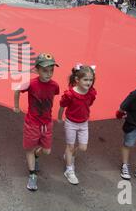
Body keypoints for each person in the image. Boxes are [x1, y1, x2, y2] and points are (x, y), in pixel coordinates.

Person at [13, 53, 60, 191]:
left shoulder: (55, 86)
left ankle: (36, 156)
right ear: (36, 70)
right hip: (32, 123)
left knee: (46, 151)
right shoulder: (31, 83)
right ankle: (32, 175)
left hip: (47, 124)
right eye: (45, 70)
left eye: (51, 70)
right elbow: (17, 90)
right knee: (29, 149)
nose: (49, 73)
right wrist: (16, 106)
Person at [57, 64, 96, 185]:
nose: (89, 82)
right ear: (77, 80)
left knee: (83, 147)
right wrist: (59, 117)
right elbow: (62, 105)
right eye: (86, 79)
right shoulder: (70, 94)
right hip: (71, 123)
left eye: (91, 80)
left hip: (84, 124)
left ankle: (70, 155)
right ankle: (69, 169)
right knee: (70, 146)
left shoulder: (91, 93)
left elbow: (89, 103)